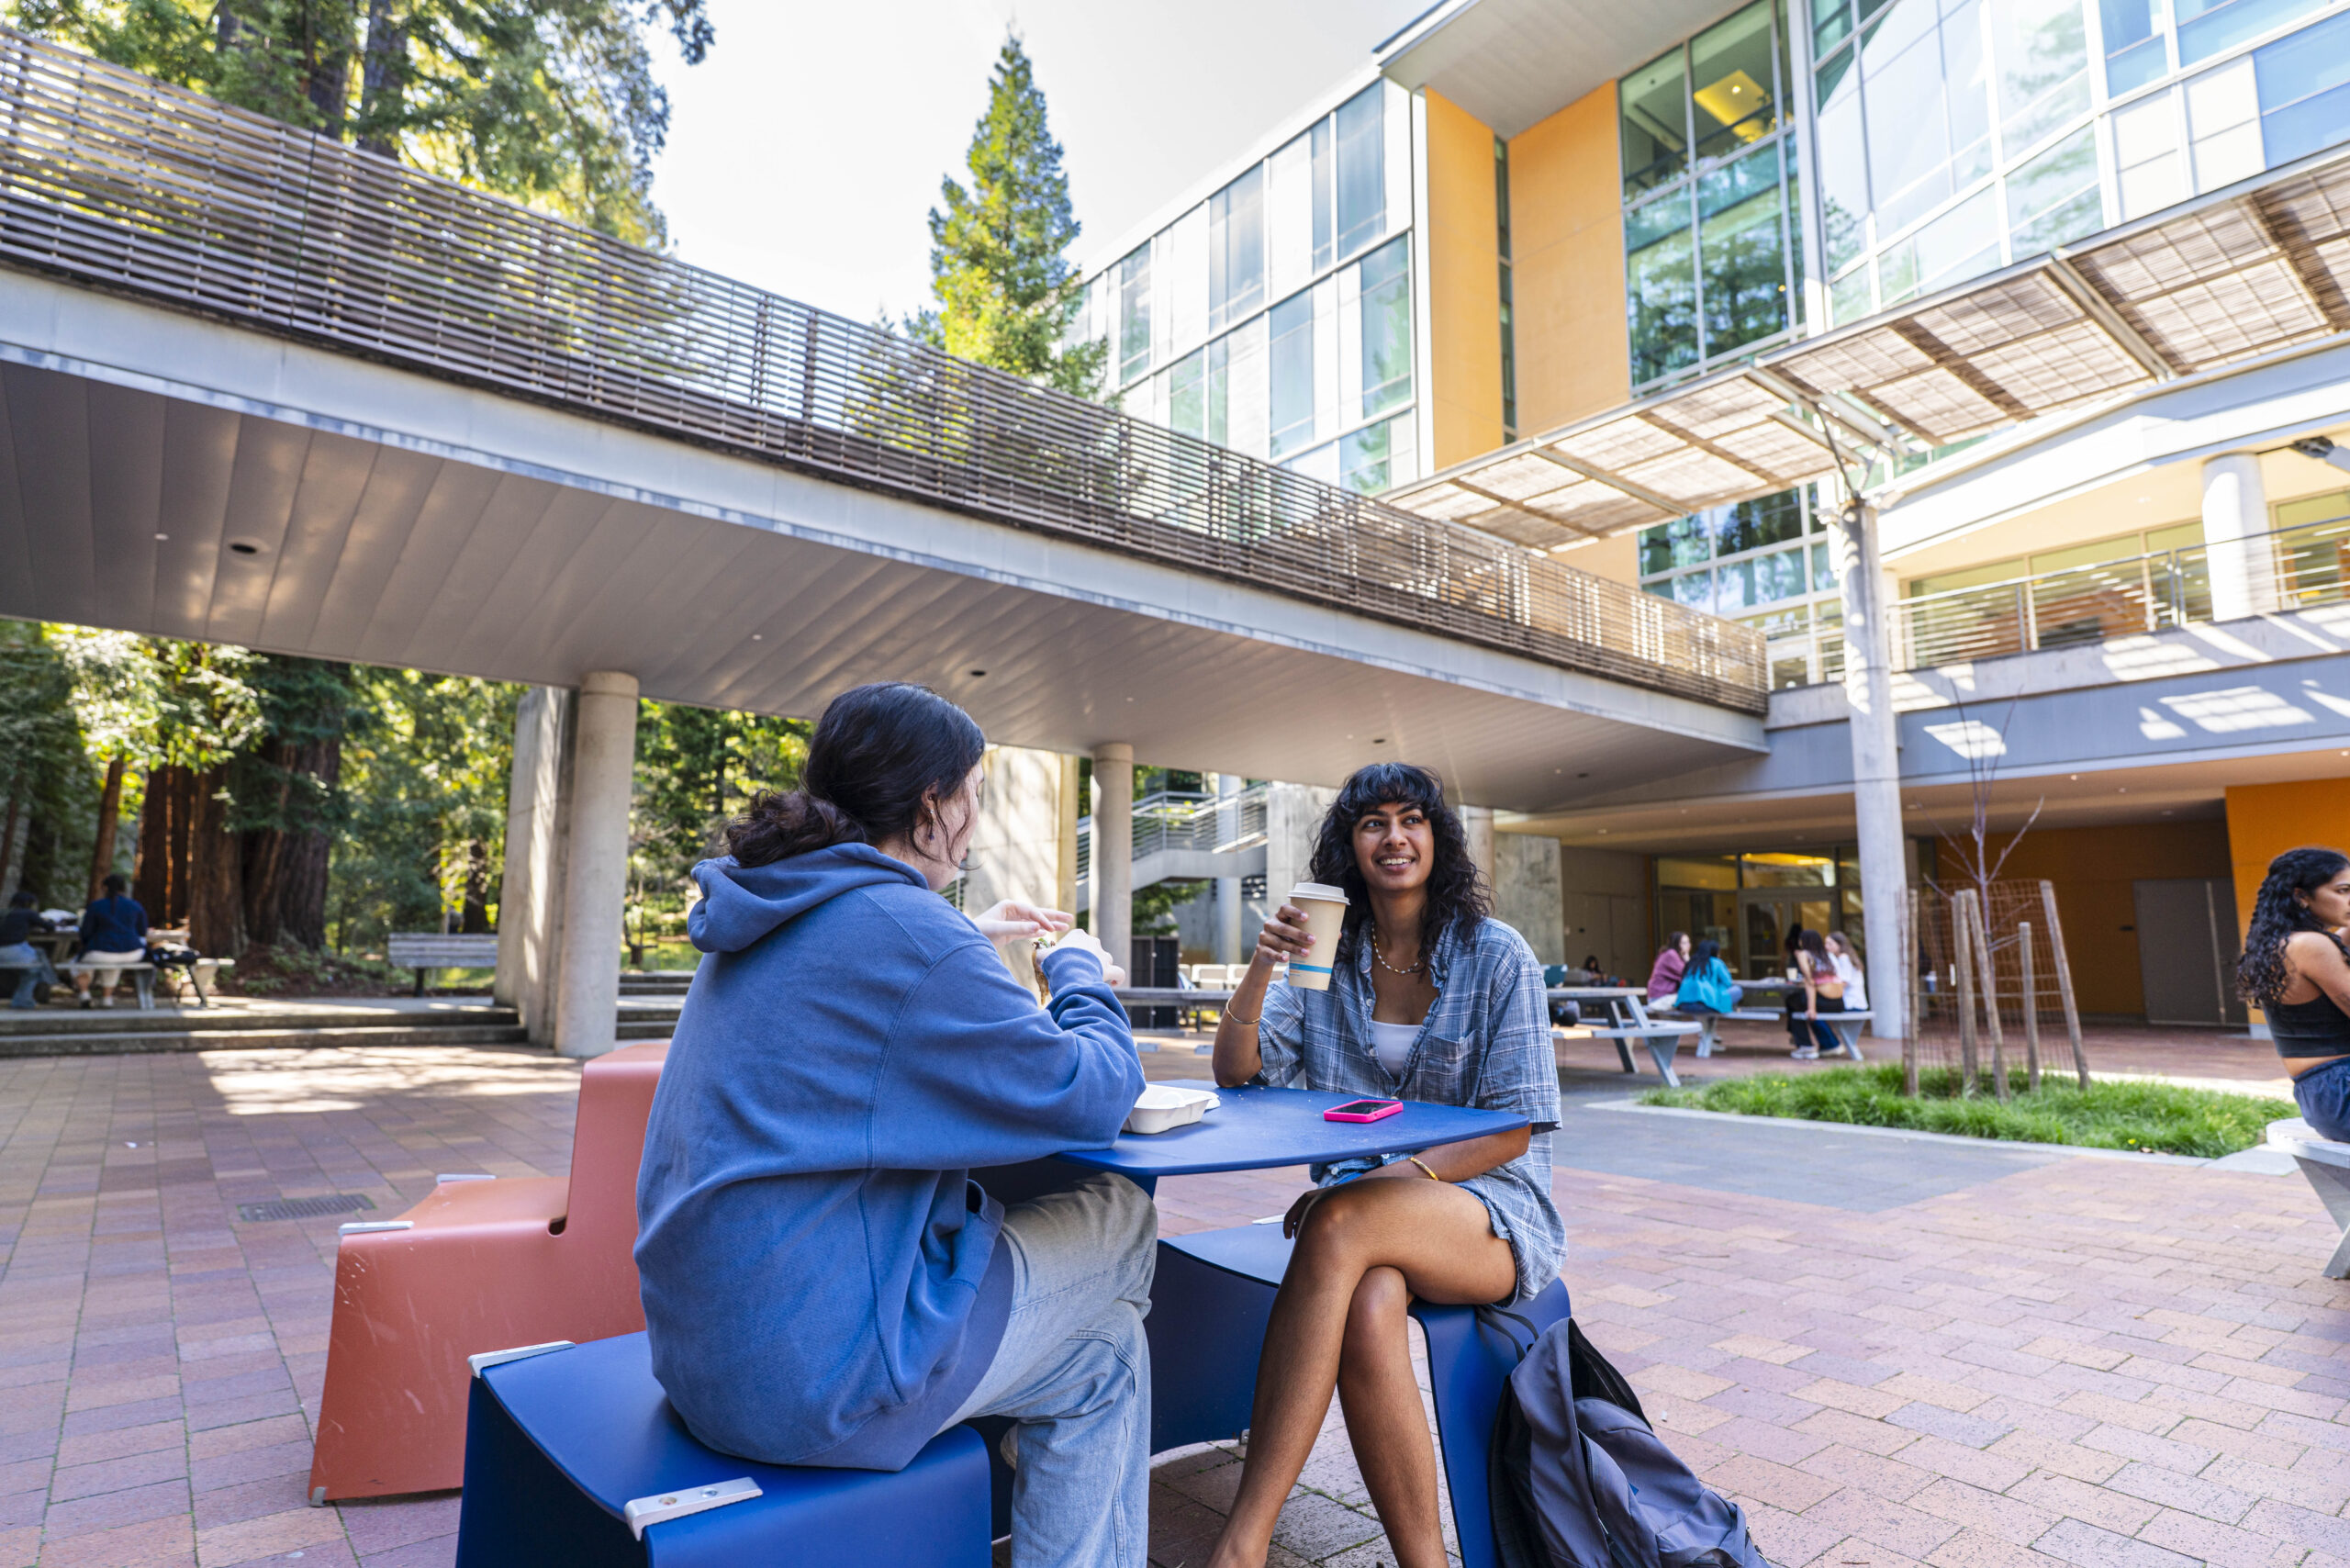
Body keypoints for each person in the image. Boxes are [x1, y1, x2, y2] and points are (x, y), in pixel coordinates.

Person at [632, 683, 1154, 1568]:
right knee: (1121, 1226)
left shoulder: (777, 901)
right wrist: (1077, 970)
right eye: (975, 793)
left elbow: (873, 1000)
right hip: (812, 1380)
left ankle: (1021, 1424)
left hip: (705, 1354)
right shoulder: (908, 933)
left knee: (1104, 1347)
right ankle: (1011, 1446)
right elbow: (1092, 1090)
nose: (977, 817)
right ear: (930, 807)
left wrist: (961, 937)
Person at [1203, 762, 1560, 1568]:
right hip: (1370, 1225)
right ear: (1351, 845)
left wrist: (1367, 1191)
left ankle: (1242, 1543)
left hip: (1490, 1211)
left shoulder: (1497, 956)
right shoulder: (1328, 956)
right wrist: (1260, 966)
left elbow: (1512, 1132)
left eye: (1411, 820)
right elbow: (1237, 1072)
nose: (1393, 838)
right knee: (1368, 1305)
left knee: (1335, 1219)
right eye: (1373, 823)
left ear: (1437, 838)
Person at [2236, 846, 2350, 1140]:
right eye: (2343, 890)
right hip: (2342, 1088)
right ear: (2301, 896)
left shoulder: (2286, 943)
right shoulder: (2312, 946)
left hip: (2323, 1093)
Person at [73, 874, 147, 1009]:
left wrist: (89, 943)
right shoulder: (135, 906)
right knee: (113, 962)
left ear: (104, 888)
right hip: (134, 951)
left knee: (78, 963)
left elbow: (86, 932)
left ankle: (85, 995)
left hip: (102, 950)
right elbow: (142, 931)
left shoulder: (96, 906)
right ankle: (107, 999)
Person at [1785, 928, 1845, 1058]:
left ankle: (1805, 1046)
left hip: (1823, 1000)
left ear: (1803, 941)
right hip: (1839, 1003)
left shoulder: (1804, 954)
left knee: (1792, 1002)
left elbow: (1810, 982)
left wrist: (1811, 1009)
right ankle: (1828, 1045)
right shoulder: (1827, 955)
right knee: (1800, 1004)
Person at [0, 891, 54, 1010]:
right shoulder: (28, 913)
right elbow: (49, 927)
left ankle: (48, 980)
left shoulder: (4, 912)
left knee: (38, 955)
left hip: (5, 950)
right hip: (13, 949)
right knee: (34, 968)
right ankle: (24, 999)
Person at [1674, 938, 1742, 1014]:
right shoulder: (1716, 962)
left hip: (1683, 1005)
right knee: (1737, 990)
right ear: (1715, 952)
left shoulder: (1691, 963)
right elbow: (1727, 982)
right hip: (1706, 1005)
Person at [1825, 930, 1867, 1013]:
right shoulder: (1847, 957)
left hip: (1851, 1003)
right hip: (1857, 1002)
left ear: (1840, 944)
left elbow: (1844, 982)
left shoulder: (1843, 958)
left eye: (1830, 944)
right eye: (1826, 943)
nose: (1826, 947)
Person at [1645, 931, 1690, 1005]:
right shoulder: (1671, 954)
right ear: (1676, 944)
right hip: (1660, 997)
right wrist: (1687, 960)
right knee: (1692, 1000)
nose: (1688, 945)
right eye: (1684, 943)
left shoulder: (1672, 954)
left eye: (1688, 942)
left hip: (1665, 996)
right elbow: (1688, 973)